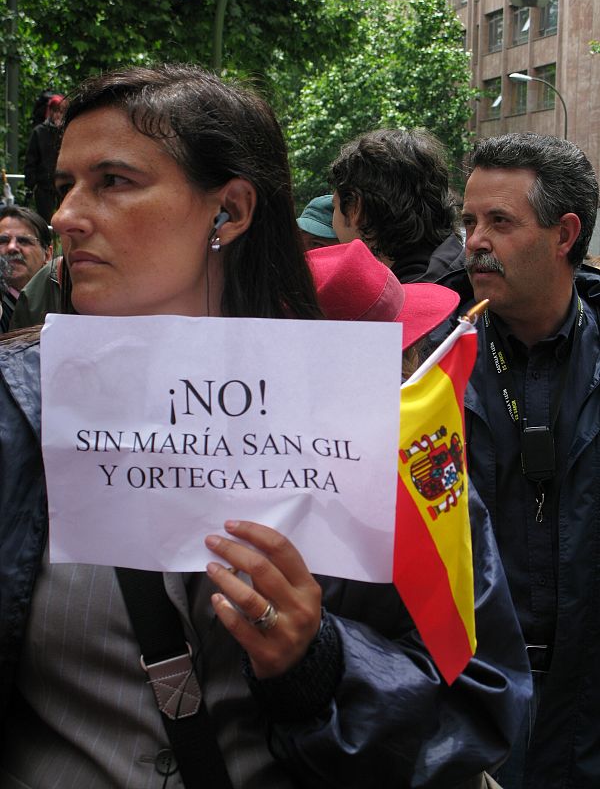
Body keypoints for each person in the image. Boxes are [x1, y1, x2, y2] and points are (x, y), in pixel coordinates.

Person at [0, 64, 530, 789]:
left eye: (113, 181)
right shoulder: (16, 408)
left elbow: (478, 700)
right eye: (64, 186)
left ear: (230, 210)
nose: (65, 216)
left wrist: (318, 663)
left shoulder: (374, 422)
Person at [433, 131, 600, 789]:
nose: (474, 242)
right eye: (469, 221)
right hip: (469, 710)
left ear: (565, 235)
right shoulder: (423, 370)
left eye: (499, 222)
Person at [329, 128, 463, 283]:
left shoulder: (404, 295)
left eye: (334, 207)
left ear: (355, 208)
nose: (332, 223)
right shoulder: (457, 270)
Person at [0, 206, 52, 332]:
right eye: (3, 241)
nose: (12, 247)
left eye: (24, 241)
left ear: (47, 255)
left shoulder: (58, 302)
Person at [24, 94, 65, 223]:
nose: (58, 115)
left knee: (64, 222)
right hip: (44, 187)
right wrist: (30, 185)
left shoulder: (67, 132)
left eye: (61, 112)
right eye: (56, 111)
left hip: (64, 186)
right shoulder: (39, 132)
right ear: (50, 111)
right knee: (45, 223)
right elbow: (31, 161)